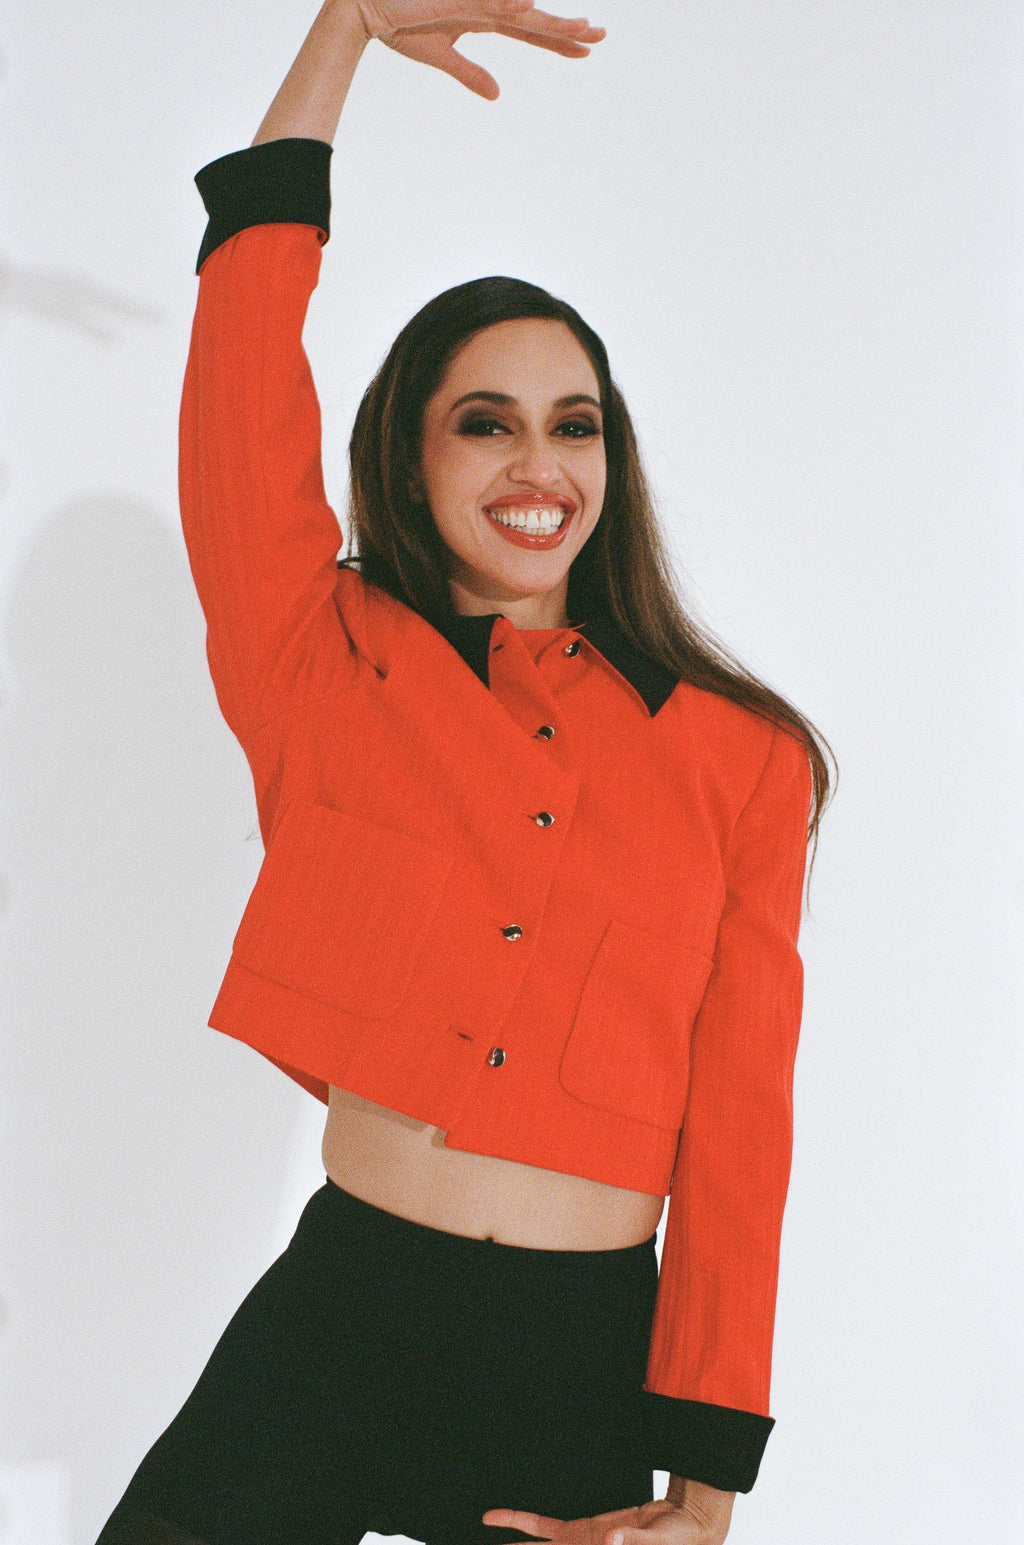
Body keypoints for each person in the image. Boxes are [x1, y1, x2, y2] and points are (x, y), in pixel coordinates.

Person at [96, 5, 834, 1544]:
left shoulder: (744, 760)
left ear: (610, 461)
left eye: (573, 426)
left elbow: (743, 1122)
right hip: (339, 1316)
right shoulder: (324, 659)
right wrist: (343, 34)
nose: (534, 466)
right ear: (413, 455)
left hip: (570, 1370)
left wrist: (708, 1468)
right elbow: (241, 364)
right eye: (482, 423)